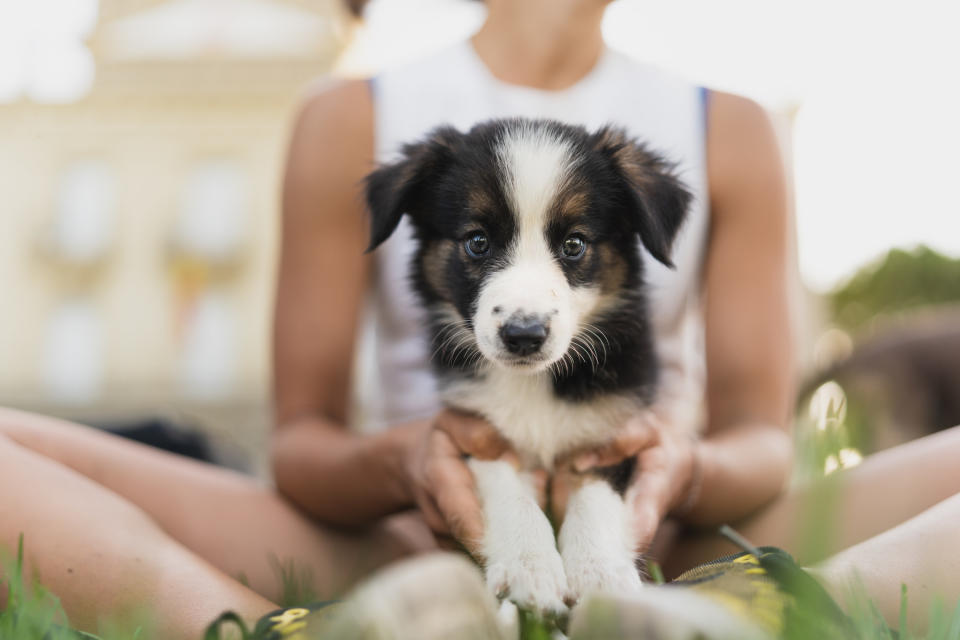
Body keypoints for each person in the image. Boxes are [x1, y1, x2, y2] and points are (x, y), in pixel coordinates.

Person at [1, 0, 959, 637]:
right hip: (402, 529)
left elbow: (762, 437)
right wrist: (408, 462)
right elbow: (298, 441)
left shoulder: (730, 129)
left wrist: (686, 466)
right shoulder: (353, 114)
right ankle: (281, 625)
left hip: (679, 532)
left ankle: (762, 607)